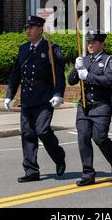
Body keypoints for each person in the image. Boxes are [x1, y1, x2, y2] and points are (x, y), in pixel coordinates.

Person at [4, 16, 66, 183]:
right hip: (27, 98)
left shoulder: (51, 48)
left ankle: (59, 156)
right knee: (27, 134)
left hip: (45, 97)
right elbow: (16, 73)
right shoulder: (23, 49)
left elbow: (59, 75)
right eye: (27, 27)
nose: (28, 30)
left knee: (43, 131)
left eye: (31, 27)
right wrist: (9, 95)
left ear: (40, 29)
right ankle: (31, 170)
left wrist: (58, 94)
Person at [68, 30, 112, 187]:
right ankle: (88, 174)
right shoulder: (83, 60)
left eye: (93, 42)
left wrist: (88, 76)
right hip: (84, 106)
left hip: (101, 107)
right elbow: (71, 81)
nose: (90, 45)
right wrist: (75, 68)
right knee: (83, 138)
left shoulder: (109, 60)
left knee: (100, 138)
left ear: (101, 44)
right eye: (89, 42)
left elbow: (108, 80)